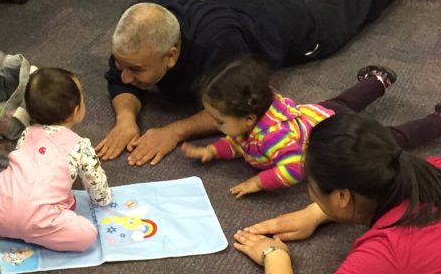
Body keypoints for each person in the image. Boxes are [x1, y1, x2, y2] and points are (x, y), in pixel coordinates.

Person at [95, 0, 437, 167]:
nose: (125, 75)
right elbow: (119, 78)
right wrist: (126, 119)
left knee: (344, 12)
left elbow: (237, 107)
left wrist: (174, 130)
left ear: (170, 55)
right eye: (124, 66)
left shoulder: (218, 45)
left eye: (135, 71)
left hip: (281, 23)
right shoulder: (139, 30)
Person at [181, 58, 441, 198]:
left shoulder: (275, 139)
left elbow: (295, 168)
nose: (216, 126)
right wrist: (213, 151)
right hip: (320, 115)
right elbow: (239, 141)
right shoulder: (254, 115)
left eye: (219, 121)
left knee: (392, 139)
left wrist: (259, 182)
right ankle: (377, 81)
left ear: (249, 119)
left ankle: (436, 121)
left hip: (338, 139)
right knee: (344, 102)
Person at [232, 114, 441, 273]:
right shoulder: (430, 169)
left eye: (311, 187)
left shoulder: (384, 253)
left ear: (342, 197)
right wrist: (317, 213)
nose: (311, 194)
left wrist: (275, 257)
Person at [0, 68, 112, 252]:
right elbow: (96, 182)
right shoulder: (80, 146)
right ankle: (36, 228)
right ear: (76, 110)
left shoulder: (27, 133)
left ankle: (2, 213)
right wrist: (103, 200)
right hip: (39, 222)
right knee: (87, 234)